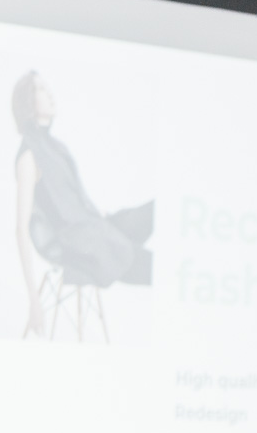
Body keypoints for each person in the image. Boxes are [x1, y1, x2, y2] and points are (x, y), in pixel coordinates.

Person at [11, 70, 154, 337]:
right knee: (151, 265)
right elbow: (21, 229)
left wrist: (102, 215)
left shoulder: (56, 147)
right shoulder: (28, 157)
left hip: (93, 226)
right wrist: (33, 300)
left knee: (150, 213)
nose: (50, 93)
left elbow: (75, 200)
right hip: (76, 245)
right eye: (41, 89)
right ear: (28, 104)